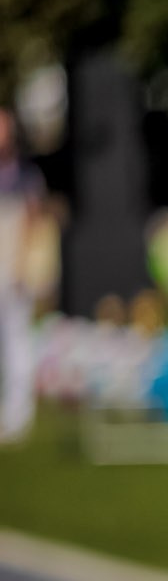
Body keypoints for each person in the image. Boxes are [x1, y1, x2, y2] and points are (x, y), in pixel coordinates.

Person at [0, 110, 47, 445]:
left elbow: (33, 221)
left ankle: (18, 413)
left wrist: (22, 266)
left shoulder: (26, 176)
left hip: (12, 271)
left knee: (16, 340)